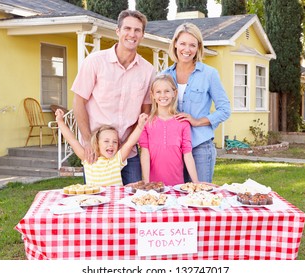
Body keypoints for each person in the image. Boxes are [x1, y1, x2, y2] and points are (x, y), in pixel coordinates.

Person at [71, 9, 156, 185]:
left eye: (137, 30)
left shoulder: (148, 71)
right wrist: (87, 140)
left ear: (142, 35)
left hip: (128, 152)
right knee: (97, 204)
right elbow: (79, 102)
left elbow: (145, 110)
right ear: (118, 31)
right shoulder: (95, 61)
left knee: (135, 202)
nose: (132, 34)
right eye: (127, 28)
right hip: (97, 152)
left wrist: (128, 144)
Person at [163, 22, 231, 183]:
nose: (187, 49)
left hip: (200, 146)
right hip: (174, 147)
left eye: (192, 45)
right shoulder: (164, 76)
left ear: (198, 48)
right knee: (176, 197)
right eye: (183, 44)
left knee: (201, 195)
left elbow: (225, 109)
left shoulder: (209, 74)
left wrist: (198, 121)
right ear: (175, 45)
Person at [55, 109, 148, 186]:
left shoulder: (117, 160)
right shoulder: (88, 158)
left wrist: (140, 126)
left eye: (115, 142)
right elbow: (72, 141)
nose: (111, 144)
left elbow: (130, 143)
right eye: (106, 141)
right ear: (97, 143)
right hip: (94, 202)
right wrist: (60, 121)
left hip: (114, 204)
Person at [139, 74, 199, 186]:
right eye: (158, 92)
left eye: (167, 91)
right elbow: (145, 152)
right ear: (152, 95)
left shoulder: (183, 122)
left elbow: (187, 153)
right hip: (153, 185)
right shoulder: (146, 122)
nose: (163, 95)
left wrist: (196, 182)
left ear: (174, 93)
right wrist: (146, 182)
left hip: (177, 184)